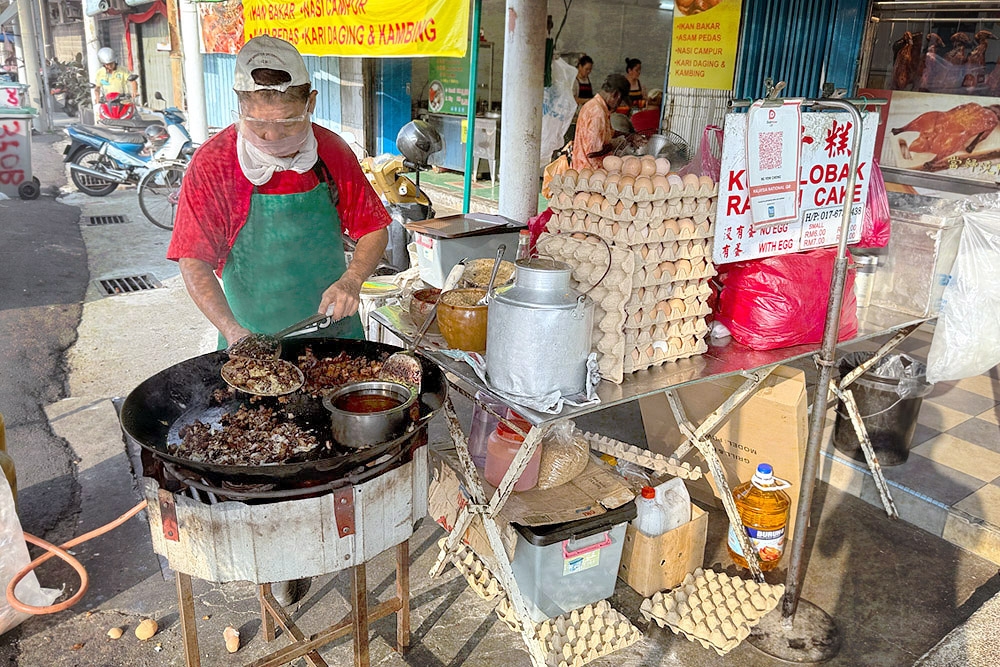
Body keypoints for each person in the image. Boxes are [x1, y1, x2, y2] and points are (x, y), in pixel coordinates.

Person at [167, 35, 391, 350]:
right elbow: (193, 259)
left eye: (287, 125)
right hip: (250, 338)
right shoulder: (213, 163)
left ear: (310, 103)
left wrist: (352, 281)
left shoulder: (332, 151)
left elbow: (374, 228)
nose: (272, 137)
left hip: (335, 332)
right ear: (240, 103)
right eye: (258, 125)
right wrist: (232, 331)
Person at [571, 74, 630, 171]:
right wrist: (615, 144)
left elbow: (609, 133)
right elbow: (593, 152)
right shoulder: (597, 112)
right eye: (619, 102)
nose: (617, 106)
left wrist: (629, 136)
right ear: (616, 95)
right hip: (588, 171)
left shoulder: (598, 107)